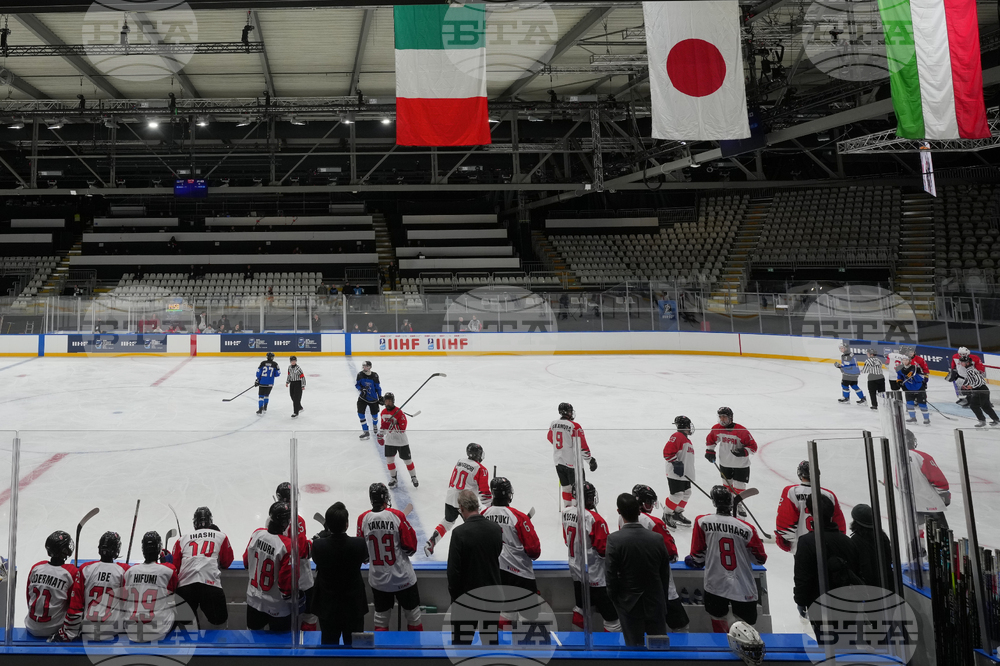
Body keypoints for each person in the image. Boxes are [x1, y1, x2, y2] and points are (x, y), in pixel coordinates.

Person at [685, 486, 768, 633]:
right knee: (747, 630)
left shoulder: (702, 521)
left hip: (715, 584)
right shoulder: (747, 528)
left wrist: (692, 560)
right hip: (743, 586)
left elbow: (697, 557)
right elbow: (760, 559)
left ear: (714, 502)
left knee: (718, 621)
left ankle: (723, 649)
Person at [606, 493, 671, 646]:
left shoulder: (614, 540)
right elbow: (664, 574)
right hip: (655, 602)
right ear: (639, 511)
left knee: (634, 649)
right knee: (659, 648)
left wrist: (617, 601)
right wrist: (662, 600)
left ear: (619, 512)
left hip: (628, 605)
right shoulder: (656, 539)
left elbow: (610, 576)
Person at [357, 483, 423, 632]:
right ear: (385, 498)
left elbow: (364, 556)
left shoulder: (363, 519)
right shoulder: (397, 516)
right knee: (413, 616)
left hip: (379, 581)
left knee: (381, 619)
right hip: (403, 579)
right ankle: (417, 652)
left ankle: (381, 654)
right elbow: (411, 548)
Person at [560, 482, 621, 633]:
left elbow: (566, 540)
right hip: (597, 576)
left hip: (576, 572)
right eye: (591, 496)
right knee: (612, 619)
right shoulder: (595, 519)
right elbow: (603, 550)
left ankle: (576, 645)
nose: (592, 499)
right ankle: (611, 654)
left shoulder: (566, 512)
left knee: (581, 609)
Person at [628, 484, 688, 631]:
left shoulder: (623, 518)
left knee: (647, 628)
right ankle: (678, 654)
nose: (651, 506)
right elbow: (671, 553)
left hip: (635, 585)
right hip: (660, 585)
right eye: (648, 502)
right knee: (681, 625)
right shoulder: (654, 522)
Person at [792, 494, 860, 615]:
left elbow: (803, 576)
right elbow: (856, 571)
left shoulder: (806, 542)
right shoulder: (848, 541)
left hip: (819, 604)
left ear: (811, 513)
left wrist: (801, 601)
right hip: (847, 604)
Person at [312, 502, 369, 646]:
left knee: (329, 648)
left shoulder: (318, 545)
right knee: (355, 648)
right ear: (347, 524)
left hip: (328, 607)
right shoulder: (359, 544)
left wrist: (324, 537)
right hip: (353, 607)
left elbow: (318, 559)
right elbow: (365, 559)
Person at [171, 507, 234, 629]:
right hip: (210, 585)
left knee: (184, 622)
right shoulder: (221, 536)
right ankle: (220, 647)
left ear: (194, 522)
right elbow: (227, 562)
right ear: (211, 521)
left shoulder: (182, 539)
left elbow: (175, 567)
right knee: (219, 621)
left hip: (186, 587)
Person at [425, 443, 491, 556]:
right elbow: (484, 493)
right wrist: (492, 505)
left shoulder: (460, 461)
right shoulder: (481, 469)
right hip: (466, 500)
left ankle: (432, 541)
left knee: (447, 521)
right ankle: (480, 551)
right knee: (477, 525)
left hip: (451, 497)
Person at [482, 477, 542, 602]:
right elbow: (534, 551)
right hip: (520, 574)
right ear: (509, 494)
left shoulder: (483, 516)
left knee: (502, 611)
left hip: (492, 573)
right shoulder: (519, 518)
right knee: (528, 615)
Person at [774, 461, 846, 554]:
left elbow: (785, 522)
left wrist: (785, 540)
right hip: (825, 546)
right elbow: (839, 523)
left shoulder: (792, 491)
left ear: (800, 474)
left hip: (802, 546)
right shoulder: (828, 495)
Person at [244, 502, 295, 632]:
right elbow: (286, 585)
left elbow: (246, 562)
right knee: (280, 646)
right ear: (284, 523)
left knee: (254, 640)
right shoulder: (287, 546)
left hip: (253, 600)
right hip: (277, 606)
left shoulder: (257, 534)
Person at [122, 532, 179, 643]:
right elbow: (173, 590)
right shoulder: (168, 570)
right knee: (175, 603)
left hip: (132, 631)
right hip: (158, 631)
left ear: (143, 549)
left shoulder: (130, 572)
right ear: (159, 549)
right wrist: (166, 563)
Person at [447, 489, 503, 602]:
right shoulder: (496, 529)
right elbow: (497, 554)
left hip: (466, 598)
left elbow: (453, 571)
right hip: (492, 595)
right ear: (477, 506)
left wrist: (455, 596)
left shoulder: (459, 533)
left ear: (461, 508)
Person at [274, 483, 315, 624]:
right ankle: (307, 646)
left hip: (283, 580)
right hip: (302, 580)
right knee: (309, 617)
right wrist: (316, 541)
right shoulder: (298, 520)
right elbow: (303, 551)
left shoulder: (271, 519)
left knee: (285, 618)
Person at [705, 407, 757, 517]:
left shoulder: (741, 431)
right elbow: (711, 440)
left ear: (731, 418)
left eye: (724, 417)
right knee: (727, 487)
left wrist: (744, 451)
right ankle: (728, 504)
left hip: (741, 465)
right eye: (720, 417)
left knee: (739, 487)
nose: (722, 419)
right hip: (725, 463)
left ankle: (738, 504)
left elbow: (753, 447)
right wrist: (710, 450)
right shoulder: (717, 428)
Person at [25, 531, 78, 638]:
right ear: (64, 551)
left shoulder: (36, 567)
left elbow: (28, 596)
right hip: (55, 629)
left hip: (30, 625)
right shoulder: (71, 572)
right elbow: (74, 604)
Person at [547, 402, 598, 508]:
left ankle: (567, 510)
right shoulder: (574, 426)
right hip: (572, 464)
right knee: (578, 489)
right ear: (568, 413)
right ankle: (576, 511)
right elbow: (582, 446)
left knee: (566, 487)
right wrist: (590, 460)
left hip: (558, 462)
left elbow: (550, 437)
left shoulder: (553, 424)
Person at [662, 415, 696, 529]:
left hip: (685, 474)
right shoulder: (677, 436)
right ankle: (667, 514)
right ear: (686, 426)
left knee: (687, 493)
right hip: (675, 473)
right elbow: (667, 452)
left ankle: (677, 513)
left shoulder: (686, 439)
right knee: (677, 495)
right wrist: (676, 463)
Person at [849, 504, 893, 591]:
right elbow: (889, 559)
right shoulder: (882, 536)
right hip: (888, 584)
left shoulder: (856, 540)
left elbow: (864, 568)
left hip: (871, 589)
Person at [378, 392, 417, 488]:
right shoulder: (383, 413)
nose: (388, 403)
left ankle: (413, 477)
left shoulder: (399, 413)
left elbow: (402, 429)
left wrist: (392, 424)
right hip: (390, 441)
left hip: (401, 441)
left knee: (407, 461)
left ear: (393, 401)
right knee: (389, 460)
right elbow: (383, 426)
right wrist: (380, 435)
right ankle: (393, 478)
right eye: (386, 401)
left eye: (390, 401)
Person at [958, 355, 999, 426]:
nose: (961, 363)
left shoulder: (970, 370)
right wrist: (967, 385)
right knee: (986, 406)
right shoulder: (971, 369)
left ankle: (982, 421)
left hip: (980, 390)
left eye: (962, 362)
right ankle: (996, 420)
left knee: (974, 405)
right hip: (984, 389)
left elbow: (979, 381)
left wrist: (971, 386)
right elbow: (973, 380)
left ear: (967, 363)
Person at [897, 356, 930, 425]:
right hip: (908, 389)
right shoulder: (900, 369)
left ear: (909, 361)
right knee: (909, 404)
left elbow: (921, 378)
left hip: (919, 388)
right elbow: (899, 376)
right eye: (903, 360)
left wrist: (913, 376)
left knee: (922, 404)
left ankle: (926, 419)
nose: (905, 361)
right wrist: (899, 382)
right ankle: (913, 418)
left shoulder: (916, 368)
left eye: (906, 360)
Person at [355, 361, 382, 440]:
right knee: (360, 414)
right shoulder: (360, 375)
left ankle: (374, 424)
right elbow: (357, 385)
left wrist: (380, 397)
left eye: (366, 366)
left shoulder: (375, 376)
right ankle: (366, 431)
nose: (364, 367)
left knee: (374, 416)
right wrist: (361, 389)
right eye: (363, 366)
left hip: (373, 399)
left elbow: (378, 387)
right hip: (363, 398)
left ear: (370, 367)